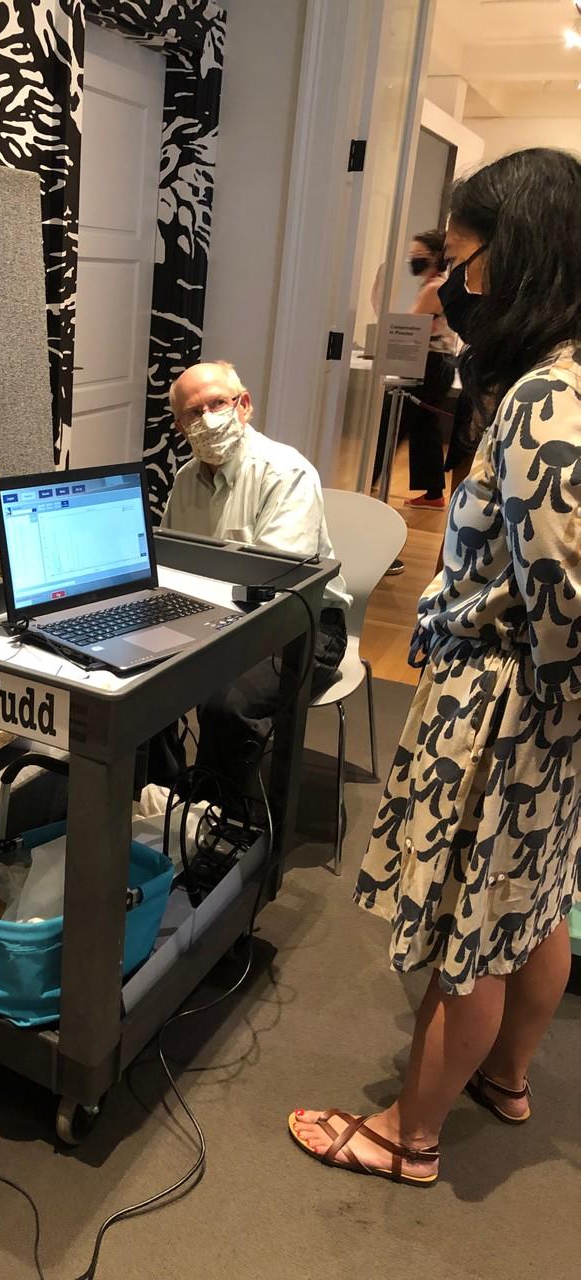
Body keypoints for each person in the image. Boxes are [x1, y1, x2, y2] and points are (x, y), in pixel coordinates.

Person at [289, 148, 581, 1186]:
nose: (448, 284)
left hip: (507, 709)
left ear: (521, 256)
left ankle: (405, 1136)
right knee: (533, 904)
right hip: (546, 720)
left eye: (461, 260)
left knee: (470, 936)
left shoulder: (547, 398)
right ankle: (504, 1079)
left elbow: (564, 603)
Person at [155, 360, 352, 797]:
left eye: (218, 403)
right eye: (193, 412)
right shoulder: (186, 481)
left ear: (244, 405)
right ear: (180, 425)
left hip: (301, 624)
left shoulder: (286, 472)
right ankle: (160, 802)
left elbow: (273, 585)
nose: (207, 419)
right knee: (136, 680)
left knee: (228, 704)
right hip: (214, 618)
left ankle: (218, 826)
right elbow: (170, 564)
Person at [372, 229, 457, 509]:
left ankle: (370, 479)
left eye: (418, 255)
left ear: (434, 256)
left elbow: (409, 324)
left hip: (429, 364)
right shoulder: (434, 286)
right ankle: (433, 493)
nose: (413, 260)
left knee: (392, 419)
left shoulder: (434, 288)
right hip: (435, 364)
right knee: (424, 427)